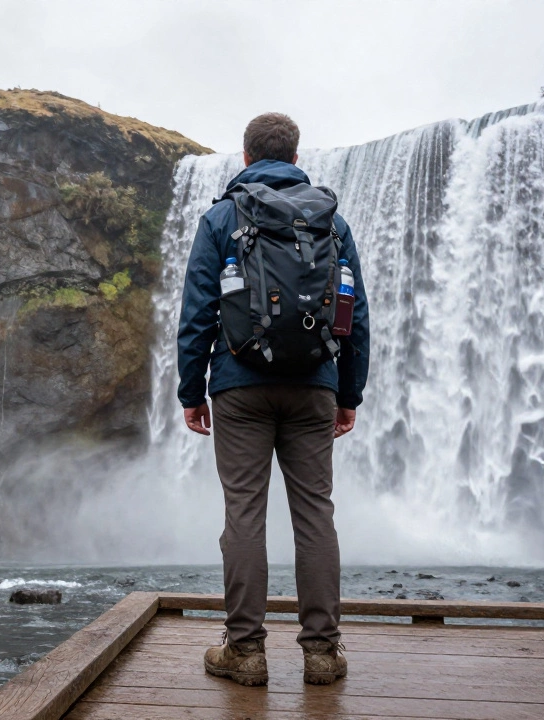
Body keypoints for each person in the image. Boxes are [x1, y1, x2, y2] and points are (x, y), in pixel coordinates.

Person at [177, 112, 369, 686]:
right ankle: (322, 652)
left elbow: (197, 315)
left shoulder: (220, 217)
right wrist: (348, 392)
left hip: (238, 387)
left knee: (244, 513)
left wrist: (192, 391)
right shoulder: (332, 223)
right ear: (295, 153)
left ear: (245, 157)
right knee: (315, 515)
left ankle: (245, 651)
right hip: (315, 385)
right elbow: (354, 314)